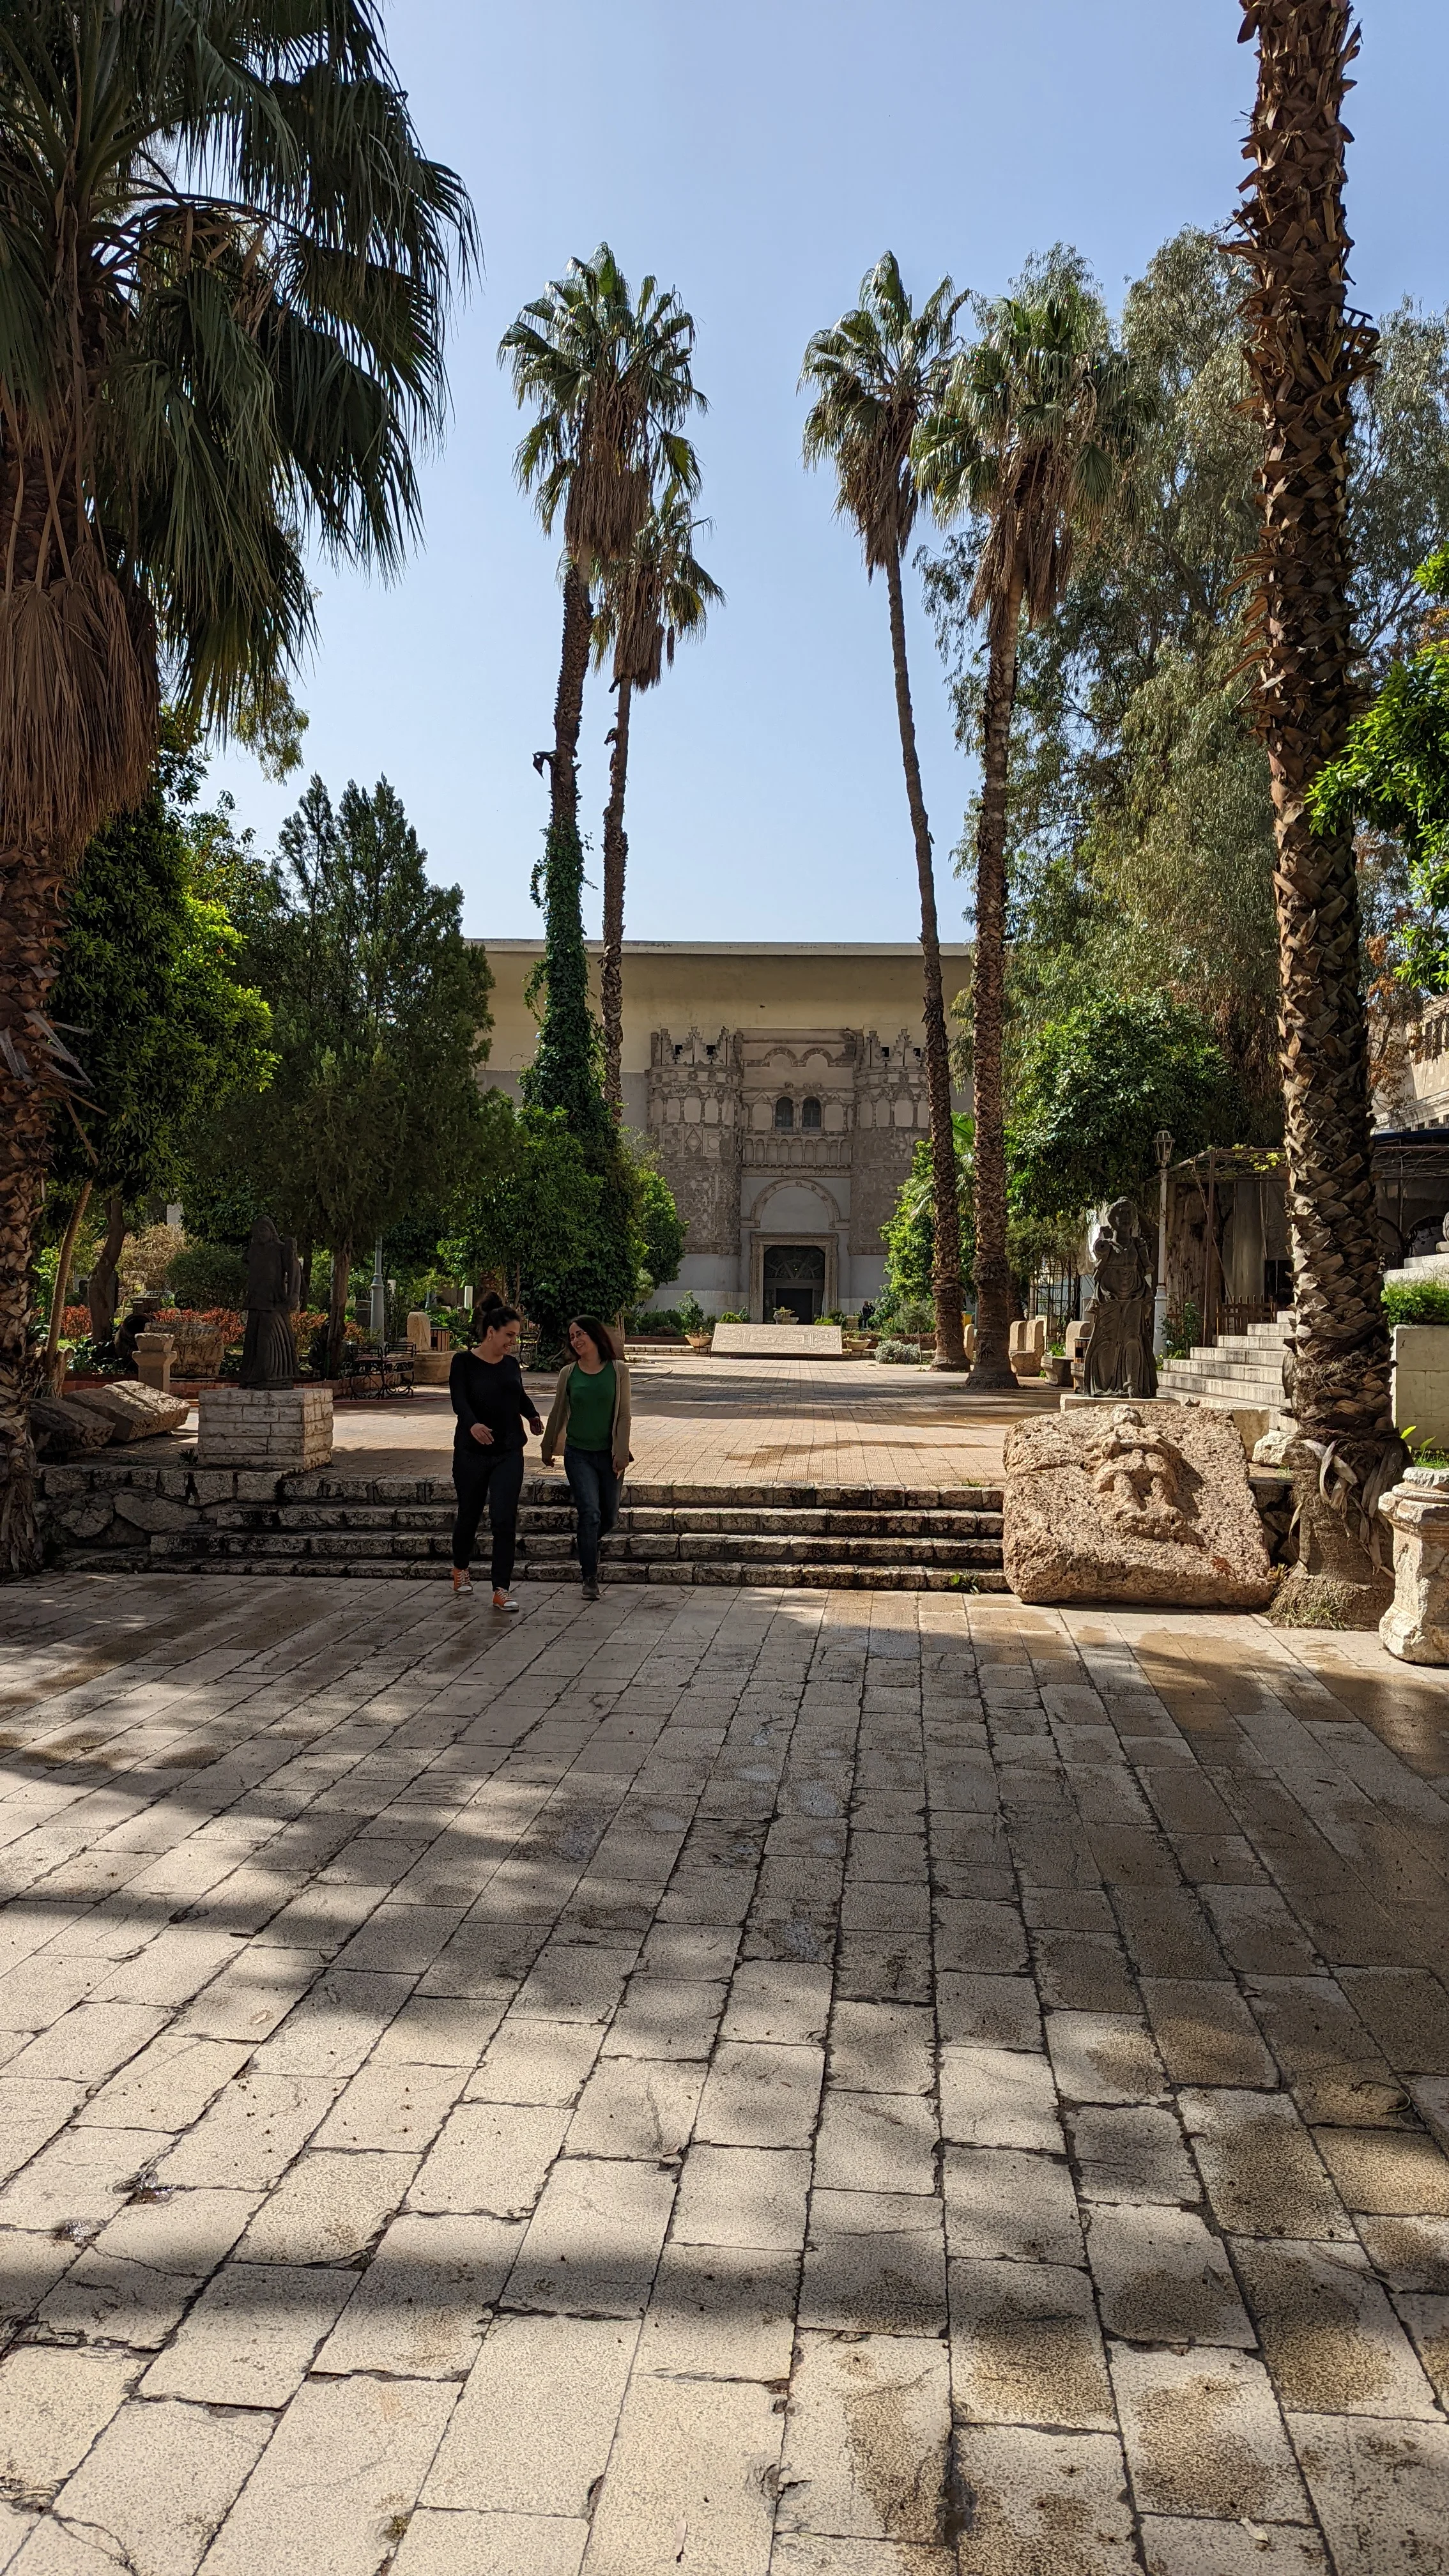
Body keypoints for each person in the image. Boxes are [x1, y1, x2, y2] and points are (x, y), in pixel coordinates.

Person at [448, 1298, 544, 1608]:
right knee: (470, 1514)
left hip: (508, 1451)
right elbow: (459, 1401)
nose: (513, 1342)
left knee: (504, 1518)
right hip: (471, 1452)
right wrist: (472, 1424)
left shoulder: (511, 1365)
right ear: (491, 1332)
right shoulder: (462, 1362)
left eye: (515, 1337)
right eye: (510, 1336)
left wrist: (532, 1416)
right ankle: (461, 1568)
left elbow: (519, 1394)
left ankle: (501, 1588)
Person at [540, 1315, 632, 1602]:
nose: (576, 1340)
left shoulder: (618, 1371)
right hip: (578, 1454)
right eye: (572, 1336)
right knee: (590, 1514)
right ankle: (589, 1577)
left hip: (609, 1455)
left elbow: (624, 1415)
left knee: (609, 1517)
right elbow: (557, 1412)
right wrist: (546, 1447)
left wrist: (620, 1453)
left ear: (594, 1335)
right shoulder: (569, 1373)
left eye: (580, 1334)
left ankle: (586, 1545)